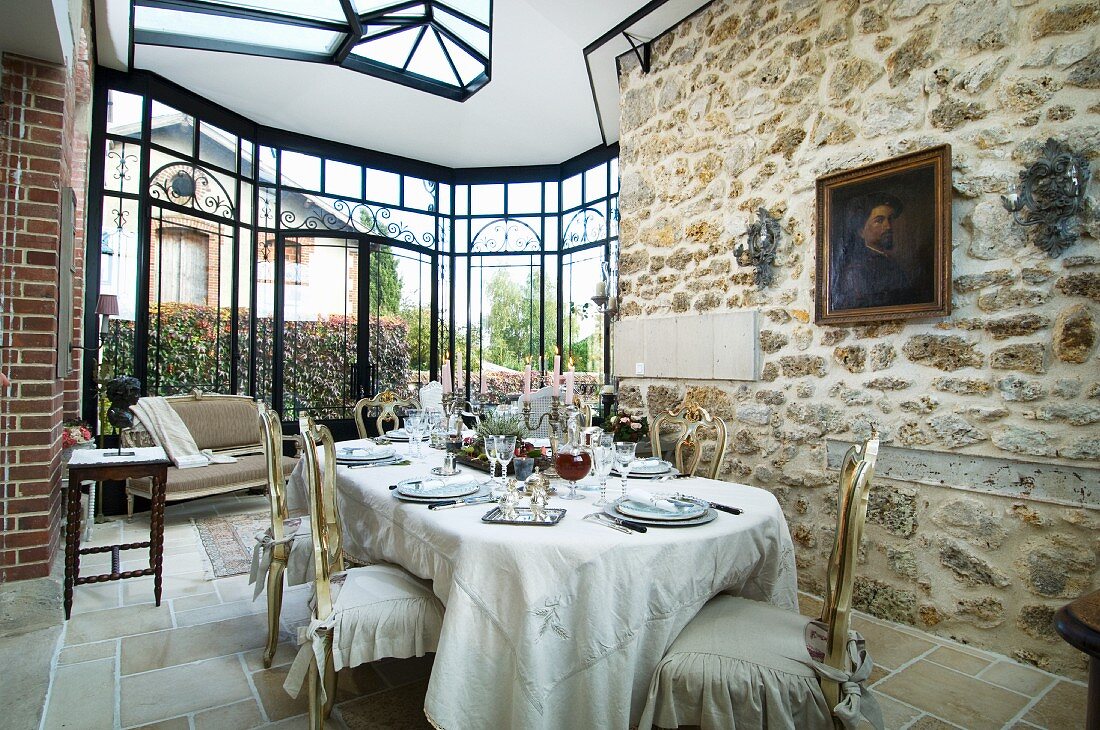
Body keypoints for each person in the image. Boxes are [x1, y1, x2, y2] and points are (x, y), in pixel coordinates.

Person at [829, 192, 933, 311]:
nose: (888, 226)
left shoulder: (889, 262)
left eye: (890, 219)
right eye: (879, 220)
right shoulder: (857, 268)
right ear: (861, 231)